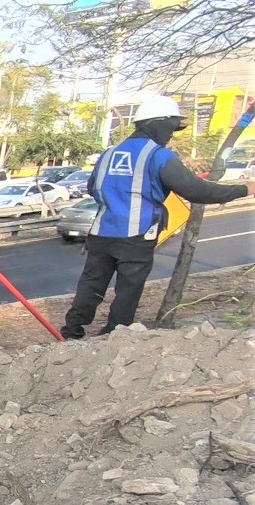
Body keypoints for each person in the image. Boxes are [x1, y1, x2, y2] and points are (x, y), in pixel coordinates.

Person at [60, 95, 255, 340]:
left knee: (91, 285)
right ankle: (114, 336)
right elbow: (197, 191)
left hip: (101, 233)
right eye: (172, 128)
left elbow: (93, 187)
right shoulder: (158, 156)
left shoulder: (109, 154)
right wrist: (245, 189)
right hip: (136, 235)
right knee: (128, 290)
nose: (172, 134)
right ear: (158, 124)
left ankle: (72, 331)